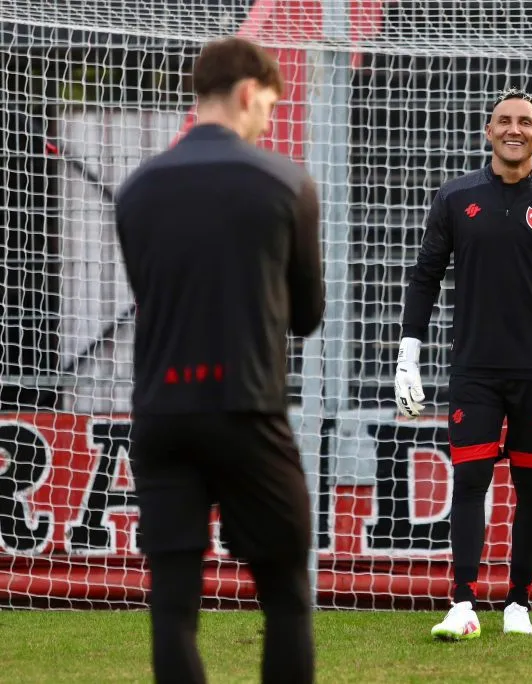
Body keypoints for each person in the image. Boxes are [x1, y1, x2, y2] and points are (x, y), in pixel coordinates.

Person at [115, 37, 324, 683]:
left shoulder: (135, 191)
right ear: (243, 93)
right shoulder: (286, 182)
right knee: (286, 594)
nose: (268, 119)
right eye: (266, 104)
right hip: (246, 410)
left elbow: (152, 294)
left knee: (172, 606)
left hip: (161, 415)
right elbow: (307, 316)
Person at [394, 86, 532, 640]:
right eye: (504, 120)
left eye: (525, 122)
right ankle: (462, 603)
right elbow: (425, 276)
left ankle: (518, 604)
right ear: (487, 130)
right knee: (471, 480)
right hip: (474, 369)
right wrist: (409, 355)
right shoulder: (456, 199)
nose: (514, 129)